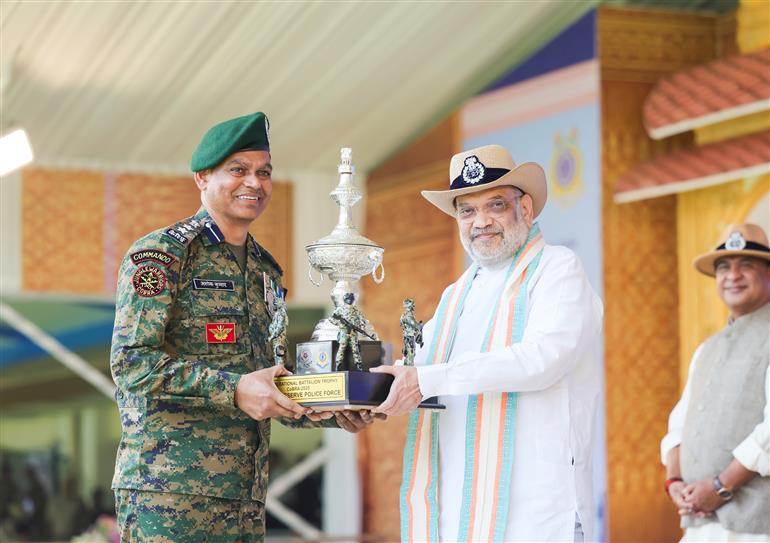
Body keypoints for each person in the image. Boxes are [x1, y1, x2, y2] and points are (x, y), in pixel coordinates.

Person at [110, 111, 377, 542]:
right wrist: (234, 389)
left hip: (246, 496)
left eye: (264, 172)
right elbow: (132, 364)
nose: (254, 182)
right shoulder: (163, 255)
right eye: (238, 170)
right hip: (169, 493)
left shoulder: (265, 269)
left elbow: (266, 383)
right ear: (202, 177)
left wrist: (334, 407)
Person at [372, 144, 603, 542]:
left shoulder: (557, 268)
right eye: (467, 211)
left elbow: (541, 360)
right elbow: (418, 376)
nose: (481, 222)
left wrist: (426, 379)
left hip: (540, 515)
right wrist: (363, 397)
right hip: (459, 515)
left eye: (495, 205)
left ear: (525, 209)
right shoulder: (455, 295)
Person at [661, 223, 770, 542]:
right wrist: (674, 481)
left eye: (746, 265)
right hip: (701, 525)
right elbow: (678, 426)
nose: (732, 275)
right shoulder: (706, 349)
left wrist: (721, 487)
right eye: (723, 267)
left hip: (755, 528)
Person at [399, 298, 423, 366]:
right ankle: (408, 367)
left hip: (407, 335)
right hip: (409, 336)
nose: (413, 306)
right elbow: (414, 324)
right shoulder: (408, 315)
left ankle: (407, 365)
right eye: (412, 304)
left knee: (408, 352)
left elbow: (402, 324)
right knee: (411, 353)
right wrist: (419, 326)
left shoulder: (404, 314)